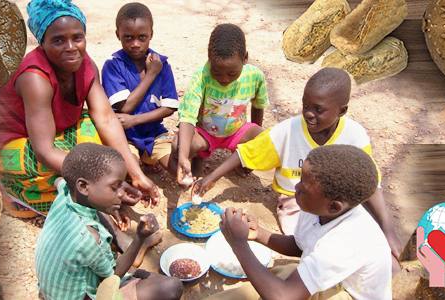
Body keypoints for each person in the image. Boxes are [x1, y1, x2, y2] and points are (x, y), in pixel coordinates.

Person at [193, 68, 401, 258]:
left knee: (364, 239)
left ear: (342, 111)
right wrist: (211, 177)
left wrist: (387, 228)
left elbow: (370, 184)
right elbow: (246, 153)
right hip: (299, 201)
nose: (309, 113)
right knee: (311, 246)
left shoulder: (355, 136)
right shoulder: (289, 130)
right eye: (305, 105)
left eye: (318, 110)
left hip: (342, 204)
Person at [0, 0, 158, 219]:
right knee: (45, 170)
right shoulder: (35, 78)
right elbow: (44, 151)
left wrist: (135, 174)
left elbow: (106, 118)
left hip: (59, 128)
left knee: (106, 143)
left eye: (77, 38)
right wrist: (102, 179)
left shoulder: (86, 65)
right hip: (22, 140)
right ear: (42, 43)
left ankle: (94, 191)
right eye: (58, 40)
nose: (71, 47)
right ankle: (21, 195)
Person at [207, 145, 392, 300]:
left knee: (278, 286)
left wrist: (238, 243)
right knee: (273, 279)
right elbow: (301, 245)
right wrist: (259, 233)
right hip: (328, 279)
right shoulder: (316, 208)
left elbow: (284, 297)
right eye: (301, 180)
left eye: (304, 188)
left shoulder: (346, 241)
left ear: (334, 207)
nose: (296, 188)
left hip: (347, 294)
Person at [35, 143, 183, 300]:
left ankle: (128, 263)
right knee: (171, 287)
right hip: (86, 295)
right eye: (115, 186)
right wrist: (139, 238)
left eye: (121, 184)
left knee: (96, 209)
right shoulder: (89, 238)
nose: (121, 193)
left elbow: (59, 180)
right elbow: (112, 278)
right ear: (83, 186)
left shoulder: (66, 190)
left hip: (53, 290)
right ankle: (133, 255)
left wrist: (119, 187)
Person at [172, 23, 269, 186]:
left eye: (232, 73)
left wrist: (252, 147)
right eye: (216, 72)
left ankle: (240, 159)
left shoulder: (255, 76)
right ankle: (197, 159)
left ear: (245, 58)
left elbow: (258, 106)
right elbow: (188, 117)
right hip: (205, 133)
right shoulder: (201, 77)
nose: (224, 79)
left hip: (237, 131)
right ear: (209, 58)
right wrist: (182, 156)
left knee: (267, 140)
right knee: (179, 145)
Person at [101, 2, 178, 175]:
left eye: (142, 37)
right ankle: (139, 163)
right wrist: (151, 75)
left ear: (151, 34)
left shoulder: (162, 64)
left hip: (155, 133)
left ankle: (151, 159)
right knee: (126, 171)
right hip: (125, 136)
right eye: (128, 37)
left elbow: (169, 107)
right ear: (117, 35)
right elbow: (125, 108)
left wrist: (134, 120)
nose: (135, 44)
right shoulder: (113, 66)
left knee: (177, 167)